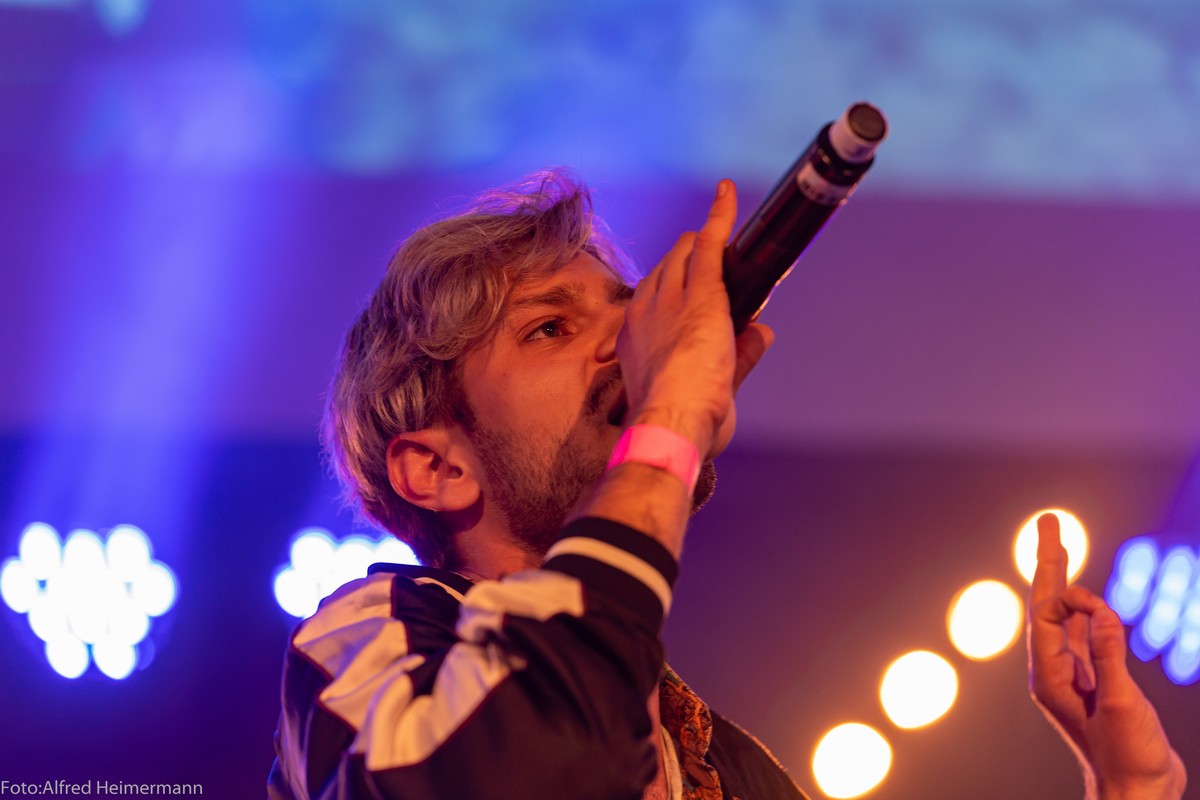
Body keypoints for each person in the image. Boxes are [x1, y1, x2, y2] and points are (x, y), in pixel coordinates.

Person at [268, 169, 1186, 800]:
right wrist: (670, 408)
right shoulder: (373, 638)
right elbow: (510, 773)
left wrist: (1132, 788)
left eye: (628, 312)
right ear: (436, 467)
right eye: (550, 328)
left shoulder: (732, 772)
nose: (626, 343)